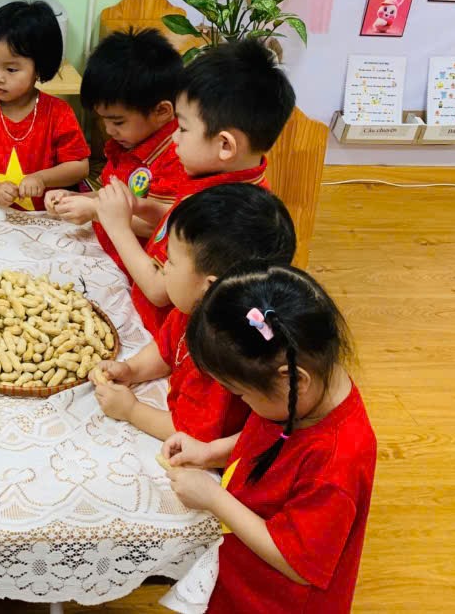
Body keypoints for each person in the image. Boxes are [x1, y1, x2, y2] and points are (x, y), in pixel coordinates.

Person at [162, 266, 375, 614]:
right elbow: (270, 435)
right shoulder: (304, 394)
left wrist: (213, 498)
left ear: (293, 380)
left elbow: (296, 563)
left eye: (241, 395)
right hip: (239, 570)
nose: (244, 405)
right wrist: (212, 451)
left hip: (274, 599)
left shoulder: (336, 464)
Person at [93, 40, 295, 339]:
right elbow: (179, 221)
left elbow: (158, 290)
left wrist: (118, 226)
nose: (174, 138)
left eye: (183, 128)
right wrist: (142, 207)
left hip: (163, 337)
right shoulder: (223, 181)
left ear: (225, 145)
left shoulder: (227, 215)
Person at [93, 184, 296, 442]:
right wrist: (132, 369)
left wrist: (132, 410)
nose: (163, 268)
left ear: (210, 286)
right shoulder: (195, 307)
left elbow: (192, 432)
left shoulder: (224, 358)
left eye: (171, 261)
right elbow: (166, 348)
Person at [46, 29, 186, 264]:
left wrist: (94, 211)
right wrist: (73, 197)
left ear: (162, 111)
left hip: (140, 267)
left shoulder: (176, 155)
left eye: (118, 122)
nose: (109, 130)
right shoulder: (128, 142)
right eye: (103, 119)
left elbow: (160, 226)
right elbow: (111, 197)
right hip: (109, 252)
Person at [0, 0, 88, 210]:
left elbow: (79, 167)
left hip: (43, 219)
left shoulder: (59, 113)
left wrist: (42, 178)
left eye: (11, 70)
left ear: (39, 68)